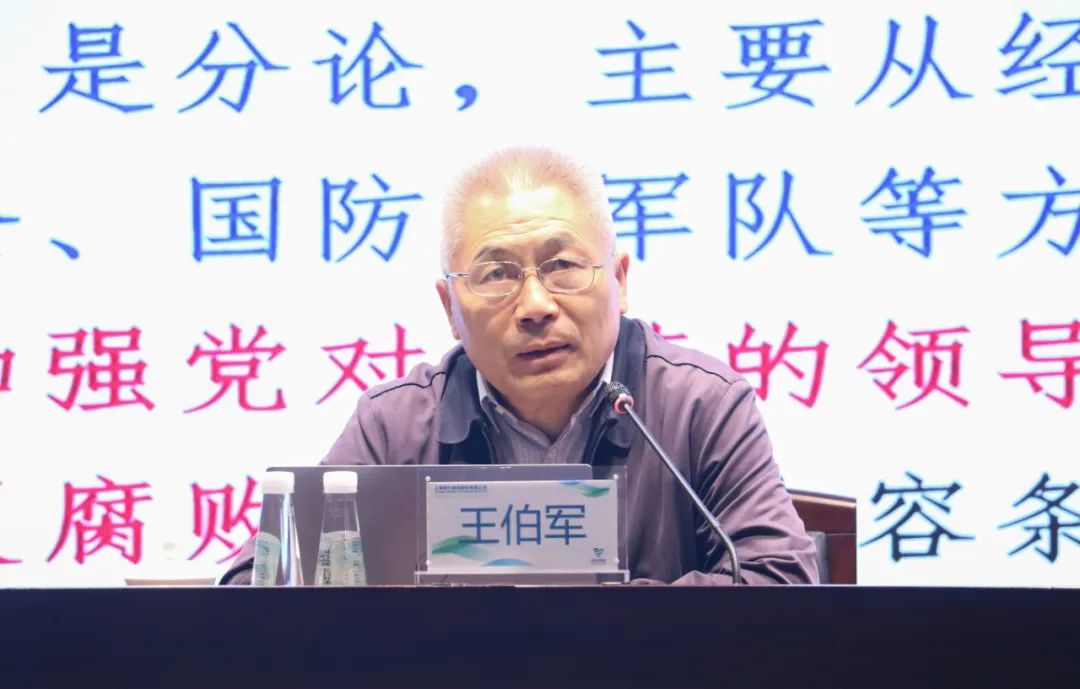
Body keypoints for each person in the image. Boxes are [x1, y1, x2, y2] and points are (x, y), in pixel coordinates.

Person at [224, 147, 818, 585]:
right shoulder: (397, 423)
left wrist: (581, 623)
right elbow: (258, 580)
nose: (535, 305)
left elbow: (779, 580)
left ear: (619, 280)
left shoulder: (701, 404)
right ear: (450, 309)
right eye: (497, 274)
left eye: (563, 266)